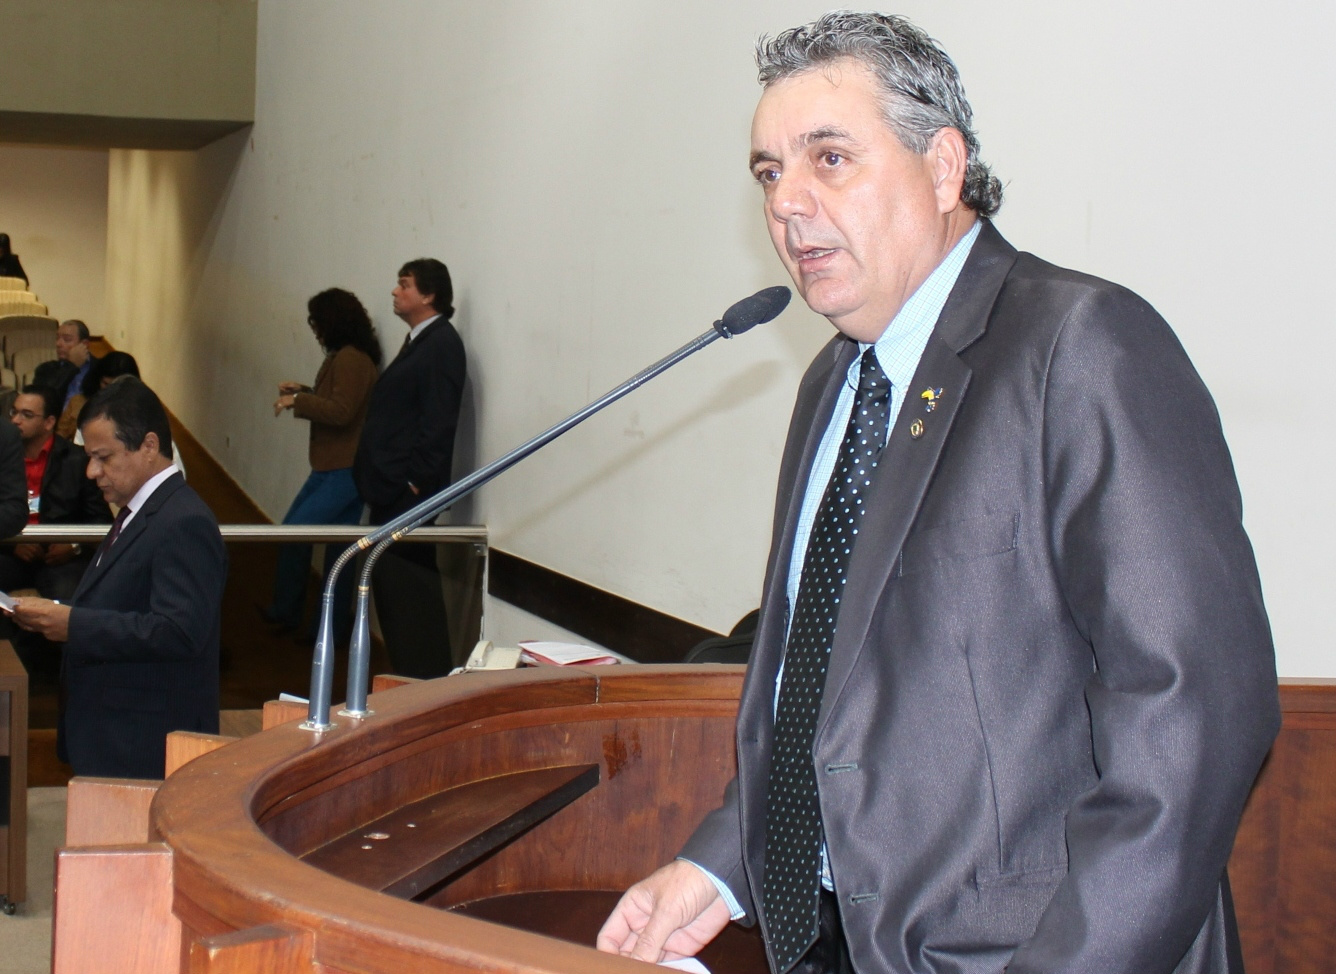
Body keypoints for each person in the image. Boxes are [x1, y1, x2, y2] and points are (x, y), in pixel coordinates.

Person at [598, 13, 1279, 974]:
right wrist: (715, 871)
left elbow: (1195, 717)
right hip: (835, 943)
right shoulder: (833, 383)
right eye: (767, 172)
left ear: (944, 166)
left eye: (828, 158)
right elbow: (819, 696)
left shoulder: (1081, 346)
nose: (787, 202)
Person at [10, 378, 227, 779]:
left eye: (103, 457)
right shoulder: (139, 509)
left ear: (148, 446)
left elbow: (179, 631)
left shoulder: (184, 521)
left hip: (142, 741)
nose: (92, 471)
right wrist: (63, 614)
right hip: (113, 730)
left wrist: (72, 623)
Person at [353, 258, 465, 677]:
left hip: (406, 496)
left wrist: (415, 483)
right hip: (391, 491)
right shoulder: (421, 342)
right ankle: (409, 679)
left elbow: (438, 421)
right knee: (396, 597)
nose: (395, 292)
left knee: (411, 600)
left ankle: (423, 682)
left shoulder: (441, 345)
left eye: (405, 285)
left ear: (429, 294)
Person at [264, 288, 381, 640]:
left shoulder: (350, 359)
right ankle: (327, 628)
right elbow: (336, 402)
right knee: (338, 550)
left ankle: (292, 614)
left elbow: (341, 412)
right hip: (337, 466)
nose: (314, 329)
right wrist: (301, 391)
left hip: (342, 469)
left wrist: (297, 399)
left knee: (296, 533)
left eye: (316, 322)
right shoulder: (351, 357)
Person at [0, 385, 113, 678]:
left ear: (49, 422)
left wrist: (73, 545)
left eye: (27, 414)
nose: (16, 420)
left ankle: (70, 680)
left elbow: (101, 523)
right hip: (11, 551)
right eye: (14, 412)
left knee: (71, 600)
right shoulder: (4, 456)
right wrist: (12, 544)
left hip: (60, 557)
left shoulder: (77, 460)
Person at [58, 349, 140, 441]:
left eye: (118, 386)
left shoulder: (140, 410)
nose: (111, 391)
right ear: (97, 380)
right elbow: (59, 440)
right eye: (106, 384)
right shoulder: (78, 403)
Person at [32, 319, 95, 413]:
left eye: (67, 339)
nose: (58, 344)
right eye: (57, 338)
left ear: (84, 344)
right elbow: (45, 401)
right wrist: (71, 366)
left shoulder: (99, 368)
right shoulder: (45, 369)